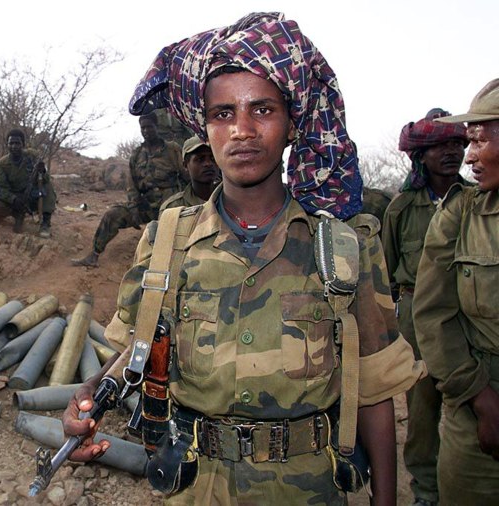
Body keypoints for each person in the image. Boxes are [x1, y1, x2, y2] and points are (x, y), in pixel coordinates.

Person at [62, 12, 423, 505]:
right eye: (223, 114)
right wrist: (85, 395)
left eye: (263, 110)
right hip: (197, 488)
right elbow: (136, 352)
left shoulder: (343, 246)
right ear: (205, 127)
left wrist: (386, 500)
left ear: (292, 123)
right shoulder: (166, 240)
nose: (243, 130)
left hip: (307, 489)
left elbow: (376, 389)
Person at [413, 79, 499, 506]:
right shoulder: (459, 215)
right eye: (470, 141)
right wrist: (479, 400)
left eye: (481, 140)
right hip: (480, 400)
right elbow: (432, 313)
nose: (469, 156)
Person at [381, 108, 468, 506]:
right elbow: (388, 265)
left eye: (457, 144)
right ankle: (425, 492)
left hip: (470, 315)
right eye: (440, 146)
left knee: (470, 405)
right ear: (422, 154)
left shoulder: (476, 202)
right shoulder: (401, 207)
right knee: (421, 410)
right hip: (416, 315)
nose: (451, 153)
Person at [71, 113, 184, 267]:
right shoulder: (137, 154)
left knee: (167, 232)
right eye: (142, 128)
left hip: (170, 203)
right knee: (113, 214)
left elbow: (186, 176)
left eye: (149, 127)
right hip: (146, 204)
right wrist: (134, 207)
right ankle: (94, 255)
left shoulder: (172, 149)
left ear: (157, 127)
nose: (146, 131)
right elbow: (132, 185)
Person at [0, 128, 56, 238]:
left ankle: (45, 223)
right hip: (14, 198)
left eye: (17, 143)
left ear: (23, 144)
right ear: (7, 145)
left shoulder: (32, 157)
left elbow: (45, 179)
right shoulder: (3, 163)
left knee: (48, 187)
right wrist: (13, 199)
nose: (14, 146)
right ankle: (17, 214)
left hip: (32, 195)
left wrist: (42, 171)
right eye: (11, 143)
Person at [159, 136, 220, 212]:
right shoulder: (174, 208)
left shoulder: (233, 199)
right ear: (185, 165)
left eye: (213, 158)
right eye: (200, 159)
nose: (208, 164)